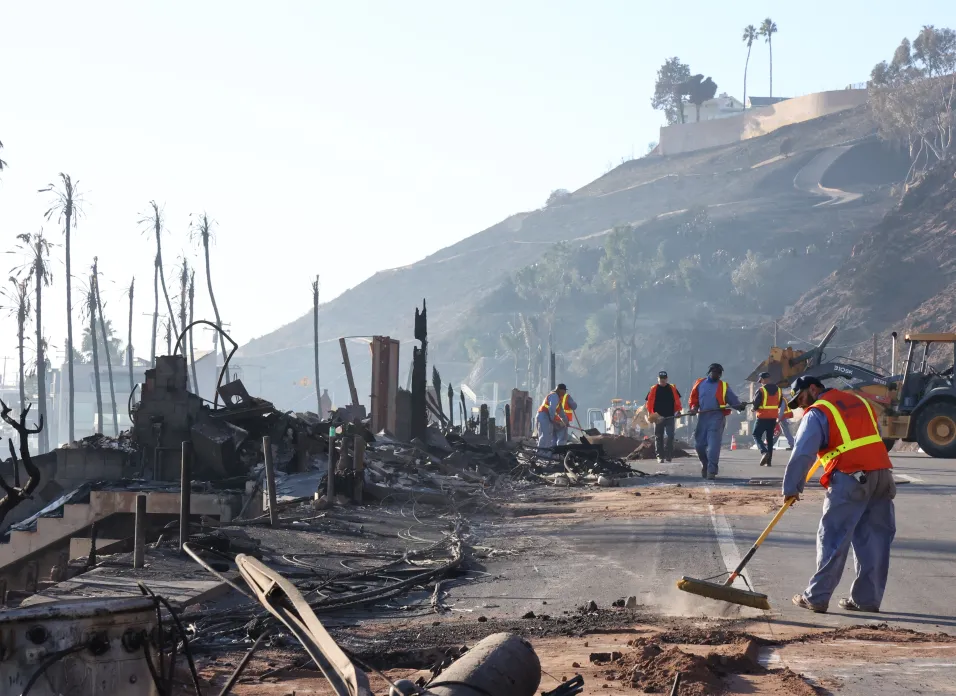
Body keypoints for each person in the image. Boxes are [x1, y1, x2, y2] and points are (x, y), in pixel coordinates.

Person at [782, 376, 895, 614]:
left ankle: (817, 596)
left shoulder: (818, 412)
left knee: (833, 537)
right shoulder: (859, 402)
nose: (801, 406)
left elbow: (803, 453)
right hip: (882, 474)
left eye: (801, 398)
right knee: (874, 539)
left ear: (813, 388)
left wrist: (791, 488)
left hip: (850, 476)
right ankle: (867, 600)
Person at [688, 363, 746, 480]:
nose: (717, 375)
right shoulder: (699, 384)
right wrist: (694, 408)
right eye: (715, 372)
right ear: (710, 372)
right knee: (699, 445)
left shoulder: (723, 386)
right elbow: (694, 400)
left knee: (713, 446)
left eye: (719, 374)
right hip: (703, 417)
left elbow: (733, 400)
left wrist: (740, 406)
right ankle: (705, 464)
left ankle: (712, 470)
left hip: (717, 417)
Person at [646, 371, 682, 463]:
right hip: (658, 417)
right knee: (659, 436)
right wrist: (652, 415)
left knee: (670, 436)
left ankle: (669, 454)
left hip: (670, 416)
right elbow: (649, 403)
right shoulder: (653, 389)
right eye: (660, 379)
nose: (662, 380)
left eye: (664, 379)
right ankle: (660, 456)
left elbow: (677, 401)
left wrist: (678, 411)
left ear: (667, 379)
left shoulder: (672, 389)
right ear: (658, 379)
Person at [752, 372, 782, 467]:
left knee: (756, 435)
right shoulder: (779, 390)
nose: (760, 382)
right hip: (773, 418)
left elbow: (756, 404)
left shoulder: (761, 390)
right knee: (769, 439)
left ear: (763, 379)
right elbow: (780, 404)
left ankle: (764, 452)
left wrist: (754, 408)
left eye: (761, 380)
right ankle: (768, 462)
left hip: (762, 417)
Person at [535, 384, 569, 453]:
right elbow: (551, 408)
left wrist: (565, 421)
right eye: (564, 391)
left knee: (547, 436)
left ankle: (544, 454)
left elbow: (561, 412)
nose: (565, 393)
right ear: (560, 390)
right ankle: (541, 454)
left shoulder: (557, 399)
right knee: (545, 436)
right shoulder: (554, 396)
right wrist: (552, 419)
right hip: (544, 416)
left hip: (545, 416)